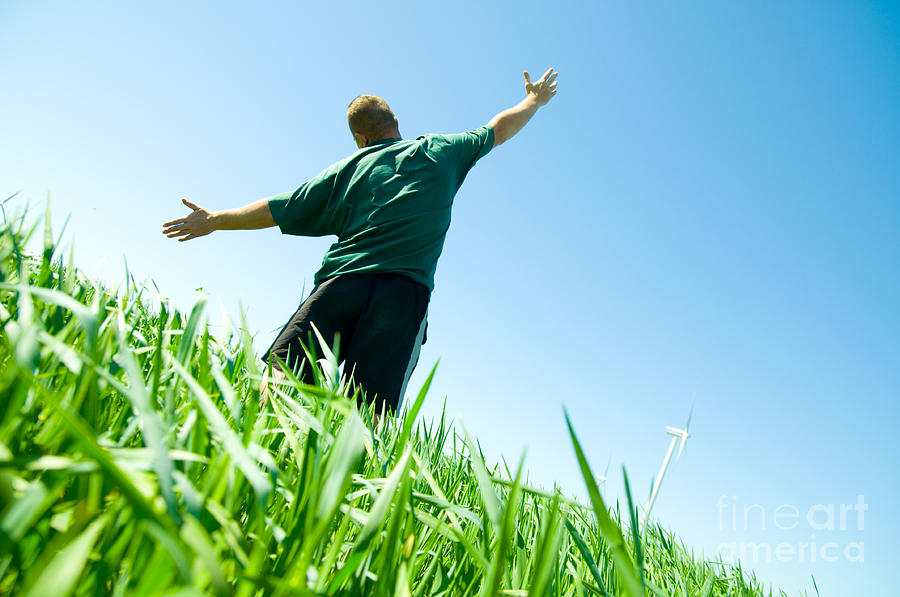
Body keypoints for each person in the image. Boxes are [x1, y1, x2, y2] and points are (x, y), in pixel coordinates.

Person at [162, 67, 559, 417]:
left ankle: (253, 465)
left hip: (342, 284)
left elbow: (280, 207)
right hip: (402, 297)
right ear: (396, 121)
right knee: (369, 414)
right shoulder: (441, 150)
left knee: (281, 379)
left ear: (360, 137)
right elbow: (499, 128)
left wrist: (215, 220)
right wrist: (533, 100)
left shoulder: (350, 167)